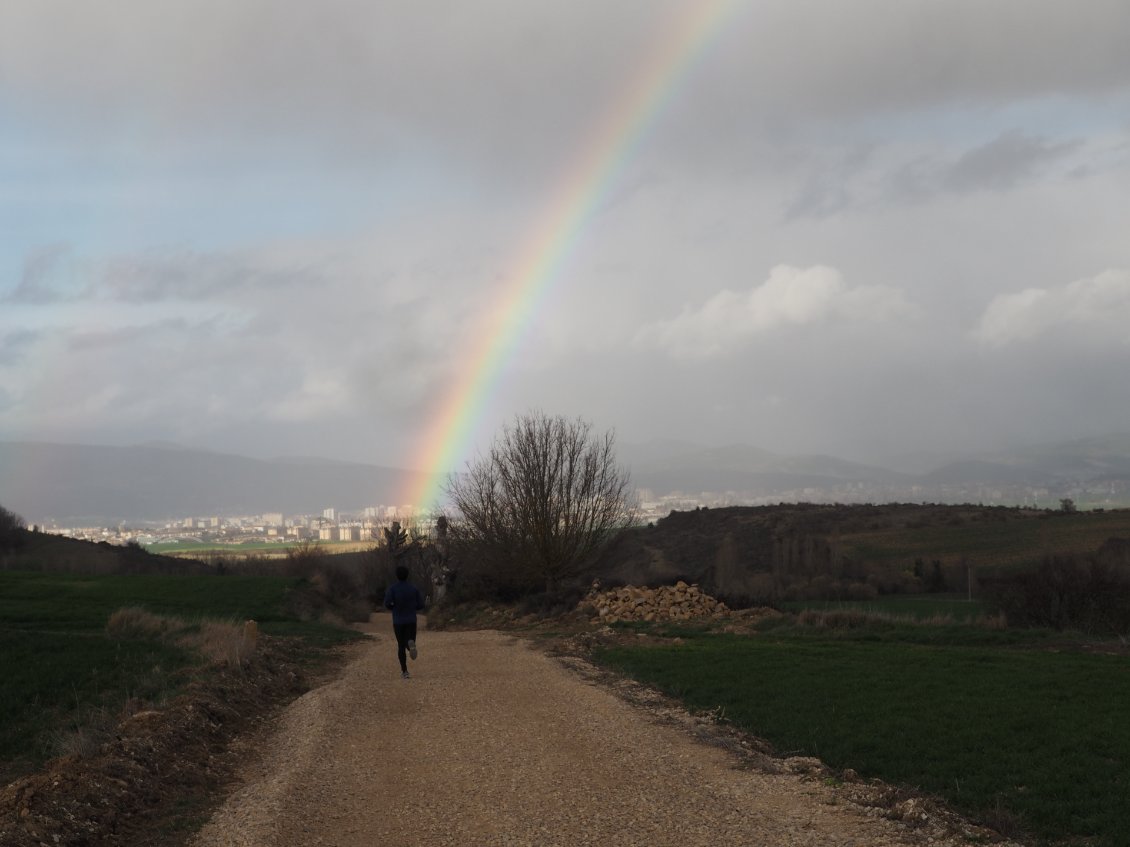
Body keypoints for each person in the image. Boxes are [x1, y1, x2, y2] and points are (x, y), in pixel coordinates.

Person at [383, 565, 425, 679]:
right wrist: (413, 607)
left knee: (400, 645)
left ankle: (405, 671)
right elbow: (421, 604)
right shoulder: (413, 588)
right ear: (407, 575)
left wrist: (394, 607)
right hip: (411, 619)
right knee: (411, 640)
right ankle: (410, 644)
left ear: (397, 576)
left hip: (398, 620)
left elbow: (387, 603)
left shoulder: (392, 589)